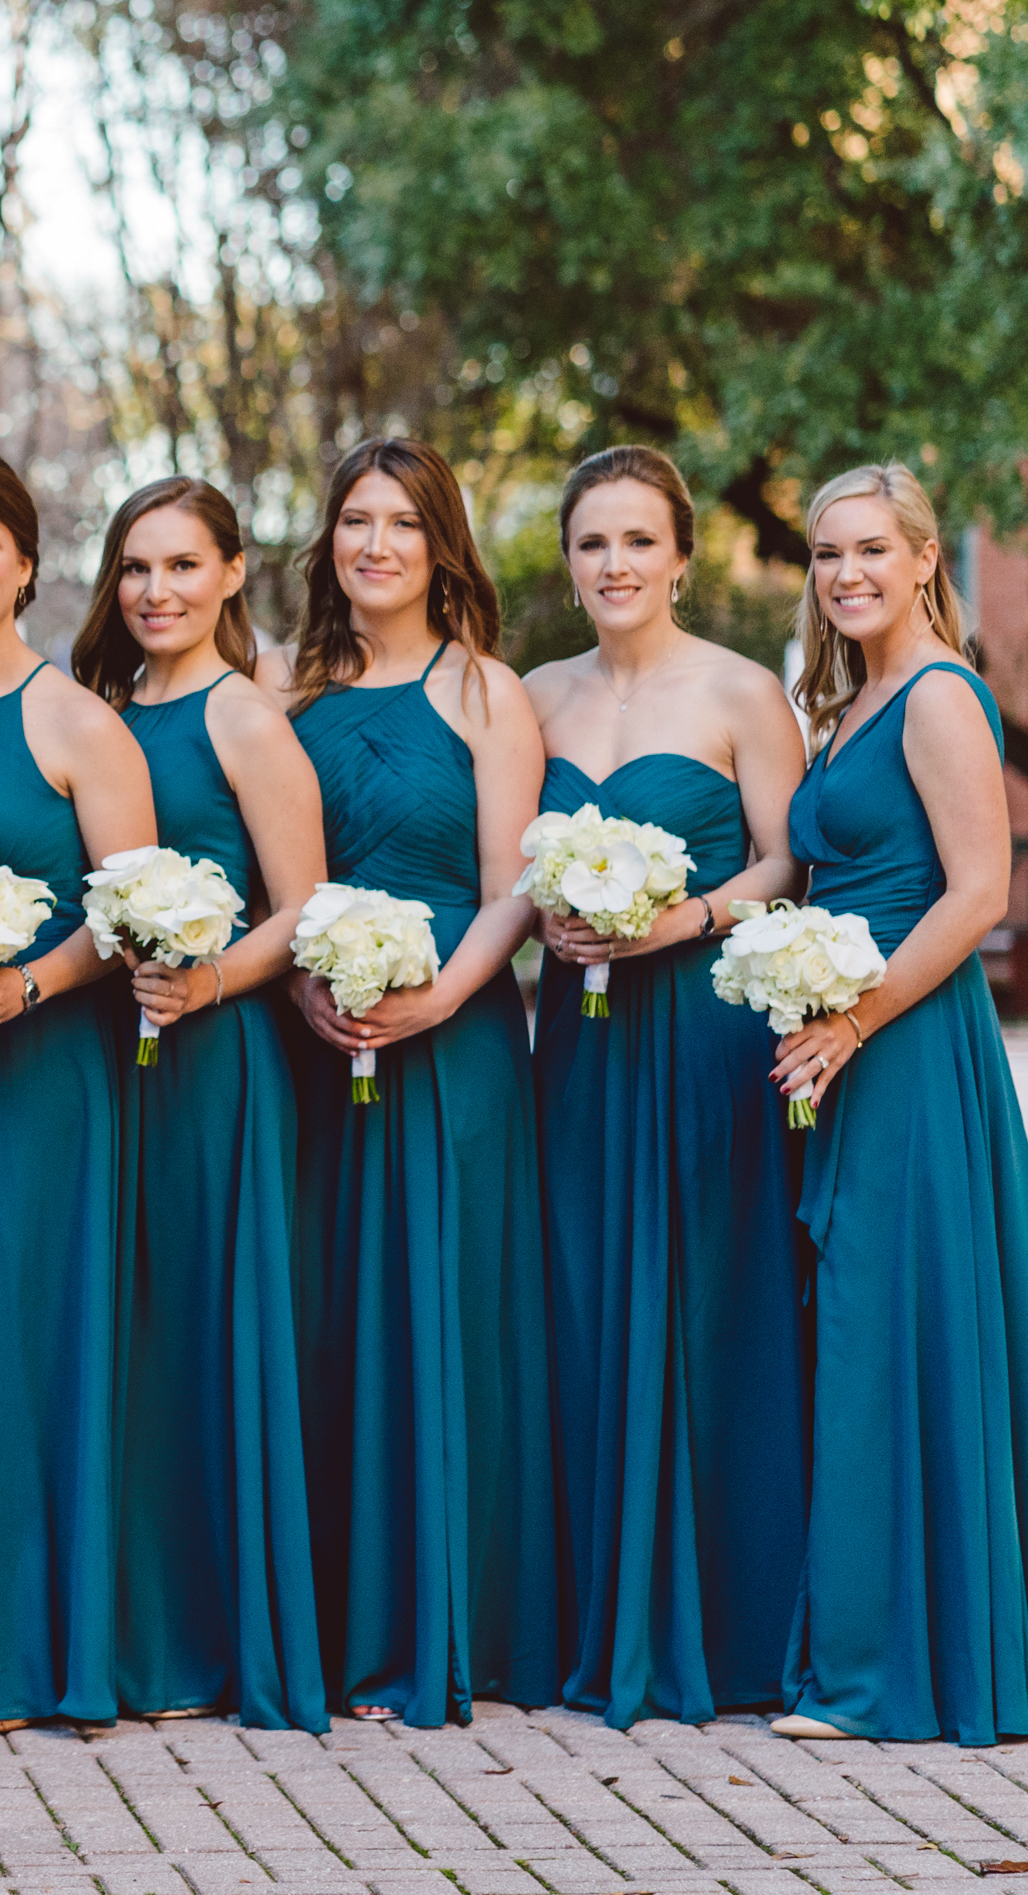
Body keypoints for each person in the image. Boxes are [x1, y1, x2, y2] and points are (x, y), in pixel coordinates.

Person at [259, 437, 558, 1726]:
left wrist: (437, 995)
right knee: (328, 1319)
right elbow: (270, 877)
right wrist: (302, 988)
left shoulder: (487, 691)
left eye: (401, 523)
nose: (373, 544)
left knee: (447, 1316)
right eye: (353, 522)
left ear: (442, 543)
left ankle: (449, 1624)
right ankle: (330, 1626)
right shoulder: (284, 687)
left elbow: (513, 885)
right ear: (327, 541)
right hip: (314, 1043)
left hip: (456, 1043)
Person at [519, 446, 806, 1729]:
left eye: (639, 540)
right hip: (575, 1045)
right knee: (581, 1297)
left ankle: (730, 1621)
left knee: (707, 1299)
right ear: (569, 559)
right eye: (592, 543)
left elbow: (789, 865)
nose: (615, 565)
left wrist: (676, 918)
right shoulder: (529, 696)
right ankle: (593, 1615)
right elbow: (499, 862)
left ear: (682, 555)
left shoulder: (743, 691)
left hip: (701, 1032)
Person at [767, 464, 1028, 1747]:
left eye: (873, 549)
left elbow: (977, 893)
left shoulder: (935, 698)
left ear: (926, 558)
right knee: (858, 1321)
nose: (847, 573)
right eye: (827, 554)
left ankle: (884, 1673)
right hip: (837, 1040)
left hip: (909, 1047)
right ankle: (866, 1646)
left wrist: (853, 1018)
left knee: (887, 1319)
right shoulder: (846, 701)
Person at [69, 476, 329, 1732]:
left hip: (218, 1058)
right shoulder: (102, 710)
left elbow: (303, 904)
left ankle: (218, 1637)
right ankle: (134, 1629)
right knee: (133, 1335)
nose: (156, 591)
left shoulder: (245, 717)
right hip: (112, 1055)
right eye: (134, 568)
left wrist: (208, 978)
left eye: (181, 566)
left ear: (232, 573)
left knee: (209, 1330)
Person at [0, 451, 156, 1733]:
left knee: (19, 1335)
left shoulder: (76, 721)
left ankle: (22, 1652)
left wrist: (31, 986)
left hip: (41, 1069)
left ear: (26, 567)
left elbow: (132, 912)